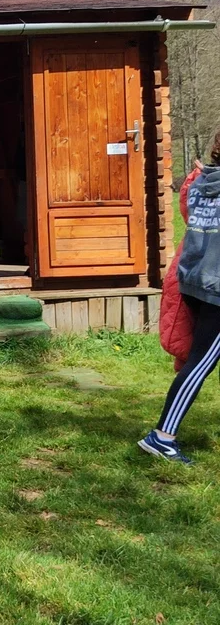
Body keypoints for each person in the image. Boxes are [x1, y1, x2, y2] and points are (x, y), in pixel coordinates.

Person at [139, 138, 220, 464]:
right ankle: (162, 437)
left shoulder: (200, 181)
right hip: (215, 287)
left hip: (194, 277)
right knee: (200, 363)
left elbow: (189, 216)